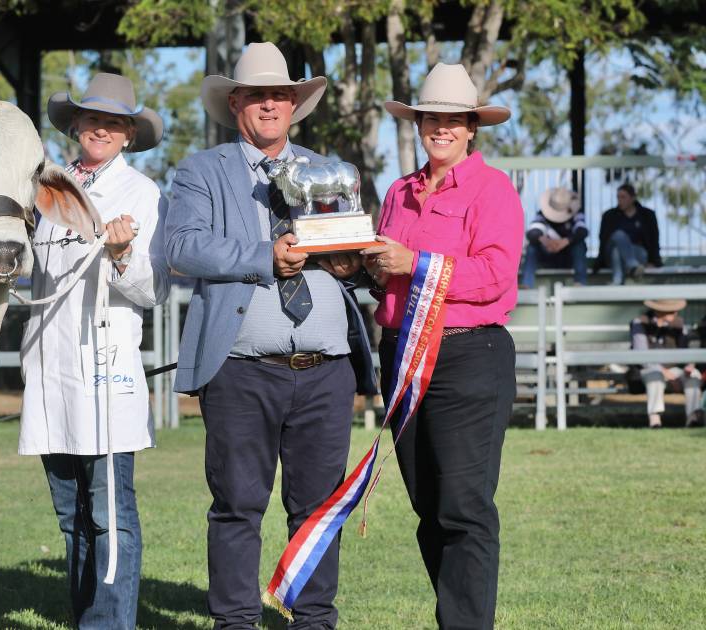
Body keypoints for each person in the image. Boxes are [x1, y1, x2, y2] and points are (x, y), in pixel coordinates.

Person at [164, 42, 376, 630]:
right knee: (237, 505)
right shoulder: (202, 171)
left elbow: (358, 251)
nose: (269, 105)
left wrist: (351, 264)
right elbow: (181, 247)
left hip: (327, 368)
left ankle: (313, 620)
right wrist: (265, 256)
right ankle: (235, 621)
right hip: (240, 367)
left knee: (317, 509)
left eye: (280, 95)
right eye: (257, 95)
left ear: (294, 105)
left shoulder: (332, 171)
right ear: (236, 103)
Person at [365, 62, 522, 629]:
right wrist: (362, 264)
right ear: (419, 123)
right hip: (402, 353)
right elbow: (386, 277)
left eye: (453, 120)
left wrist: (416, 263)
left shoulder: (493, 189)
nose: (442, 128)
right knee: (428, 506)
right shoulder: (398, 193)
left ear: (471, 127)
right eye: (433, 118)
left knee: (463, 506)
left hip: (466, 354)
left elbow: (496, 275)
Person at [18, 72, 168, 629]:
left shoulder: (141, 194)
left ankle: (107, 622)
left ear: (128, 135)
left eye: (113, 122)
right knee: (69, 514)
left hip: (104, 369)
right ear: (75, 125)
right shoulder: (40, 193)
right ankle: (84, 614)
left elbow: (152, 291)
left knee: (109, 511)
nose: (100, 129)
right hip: (49, 368)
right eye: (92, 118)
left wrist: (123, 253)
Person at [629, 299, 701, 428]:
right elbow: (641, 356)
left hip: (673, 369)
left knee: (694, 376)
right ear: (658, 311)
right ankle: (655, 419)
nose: (675, 313)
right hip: (648, 369)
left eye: (675, 310)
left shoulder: (679, 325)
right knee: (655, 375)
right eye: (671, 310)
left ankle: (693, 418)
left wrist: (688, 367)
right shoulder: (640, 323)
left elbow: (686, 350)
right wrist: (663, 371)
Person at [520, 186, 588, 288]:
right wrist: (546, 241)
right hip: (548, 256)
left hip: (568, 257)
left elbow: (582, 231)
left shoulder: (576, 214)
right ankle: (527, 284)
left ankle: (580, 283)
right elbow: (532, 232)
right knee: (532, 248)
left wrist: (565, 242)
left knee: (580, 245)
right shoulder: (542, 215)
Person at [594, 183, 661, 284]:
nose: (620, 200)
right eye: (618, 197)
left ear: (633, 198)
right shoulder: (609, 216)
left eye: (623, 197)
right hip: (610, 253)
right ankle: (632, 266)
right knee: (619, 236)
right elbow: (603, 239)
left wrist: (653, 261)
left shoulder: (647, 216)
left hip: (638, 253)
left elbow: (654, 240)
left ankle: (617, 282)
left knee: (617, 251)